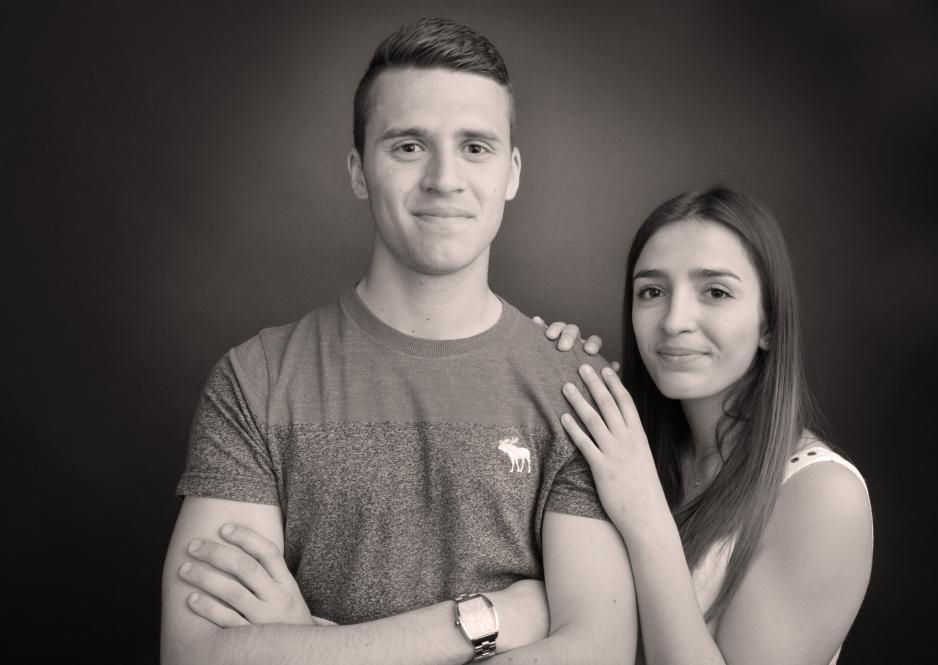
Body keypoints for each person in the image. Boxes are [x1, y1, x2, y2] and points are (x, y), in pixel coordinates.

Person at [160, 18, 637, 665]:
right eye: (409, 146)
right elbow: (196, 655)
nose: (444, 178)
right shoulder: (256, 380)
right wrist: (484, 619)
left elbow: (597, 652)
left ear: (512, 172)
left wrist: (315, 647)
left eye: (475, 147)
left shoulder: (579, 391)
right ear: (360, 171)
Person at [543, 186, 873, 664]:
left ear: (768, 325)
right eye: (652, 292)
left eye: (715, 292)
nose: (674, 320)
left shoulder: (824, 496)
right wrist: (547, 368)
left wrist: (644, 514)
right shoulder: (623, 449)